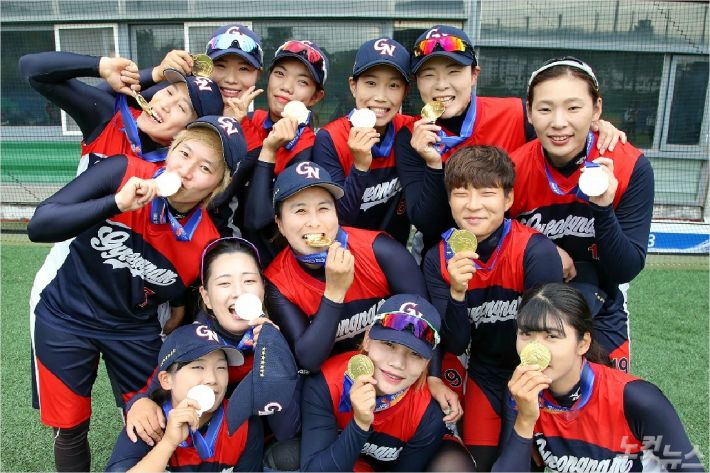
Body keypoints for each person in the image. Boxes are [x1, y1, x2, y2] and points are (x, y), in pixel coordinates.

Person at [27, 115, 246, 472]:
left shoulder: (206, 242)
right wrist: (116, 203)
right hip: (65, 316)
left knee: (152, 418)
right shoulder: (123, 170)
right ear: (171, 150)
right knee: (70, 428)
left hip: (133, 331)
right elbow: (39, 225)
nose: (187, 171)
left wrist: (178, 305)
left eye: (205, 167)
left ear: (217, 186)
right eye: (184, 153)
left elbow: (182, 287)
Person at [394, 25, 626, 252]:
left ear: (474, 75)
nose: (442, 85)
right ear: (417, 82)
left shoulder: (516, 114)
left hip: (514, 248)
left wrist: (593, 126)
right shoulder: (413, 136)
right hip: (442, 254)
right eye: (429, 75)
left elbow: (560, 131)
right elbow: (428, 225)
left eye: (454, 72)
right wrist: (433, 165)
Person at [263, 161, 462, 423]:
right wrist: (334, 293)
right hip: (331, 390)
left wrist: (434, 376)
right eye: (300, 211)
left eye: (324, 208)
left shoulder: (379, 249)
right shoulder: (278, 281)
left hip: (396, 372)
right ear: (279, 223)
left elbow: (426, 319)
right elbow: (309, 360)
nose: (314, 222)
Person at [508, 57, 655, 373]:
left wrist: (602, 208)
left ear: (596, 109)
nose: (559, 122)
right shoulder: (514, 167)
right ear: (529, 112)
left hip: (604, 298)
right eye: (545, 109)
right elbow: (489, 233)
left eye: (573, 108)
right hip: (529, 300)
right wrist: (543, 248)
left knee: (605, 394)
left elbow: (625, 268)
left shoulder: (629, 165)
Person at [423, 145, 563, 470]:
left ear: (508, 199)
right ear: (449, 200)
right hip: (482, 373)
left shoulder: (535, 251)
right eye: (461, 193)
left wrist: (534, 393)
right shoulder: (437, 258)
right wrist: (457, 292)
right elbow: (455, 343)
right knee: (479, 463)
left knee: (525, 463)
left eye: (487, 193)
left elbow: (550, 338)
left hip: (530, 372)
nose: (473, 205)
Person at [493, 283, 703, 472]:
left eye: (552, 336)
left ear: (583, 343)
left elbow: (690, 469)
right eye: (526, 334)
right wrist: (526, 419)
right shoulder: (522, 394)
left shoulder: (637, 399)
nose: (536, 350)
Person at [124, 237, 300, 450]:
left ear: (263, 288)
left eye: (249, 281)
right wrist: (138, 404)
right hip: (215, 446)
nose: (239, 292)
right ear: (206, 297)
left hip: (263, 442)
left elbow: (287, 431)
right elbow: (150, 393)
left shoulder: (283, 330)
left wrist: (275, 356)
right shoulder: (189, 344)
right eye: (224, 283)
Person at [300, 294, 448, 472]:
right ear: (367, 340)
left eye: (415, 354)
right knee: (285, 456)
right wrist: (360, 424)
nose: (398, 363)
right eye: (389, 344)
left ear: (427, 363)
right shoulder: (326, 383)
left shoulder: (428, 413)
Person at [19, 52, 223, 172]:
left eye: (181, 107)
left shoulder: (190, 171)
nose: (165, 104)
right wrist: (100, 66)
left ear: (192, 131)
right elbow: (31, 68)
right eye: (169, 91)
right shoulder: (110, 119)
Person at [104, 323, 263, 472]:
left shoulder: (244, 424)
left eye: (221, 367)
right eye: (198, 367)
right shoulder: (147, 423)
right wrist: (168, 443)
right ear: (166, 380)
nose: (212, 379)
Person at [313, 37, 414, 245]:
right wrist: (360, 167)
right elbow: (339, 219)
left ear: (406, 91)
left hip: (396, 252)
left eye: (393, 85)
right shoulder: (329, 138)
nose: (380, 96)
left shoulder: (411, 130)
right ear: (353, 86)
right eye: (371, 83)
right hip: (345, 252)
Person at [239, 40, 329, 263]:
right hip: (231, 247)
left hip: (276, 262)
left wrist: (268, 150)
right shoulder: (249, 120)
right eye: (280, 74)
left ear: (316, 96)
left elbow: (257, 221)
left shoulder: (309, 148)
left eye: (302, 81)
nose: (287, 87)